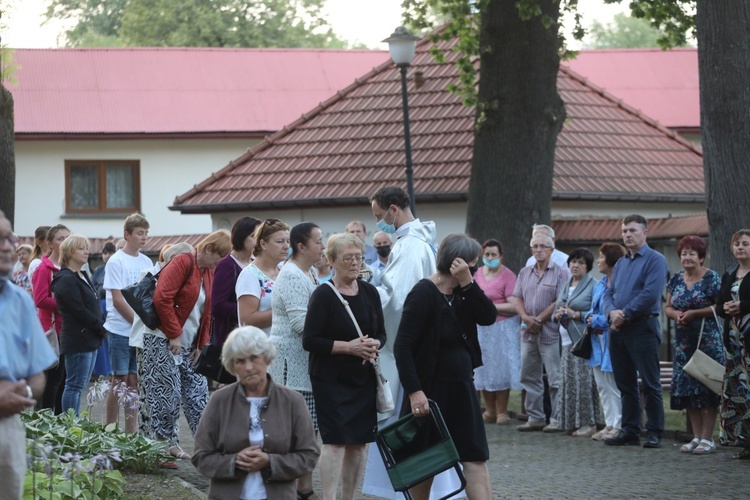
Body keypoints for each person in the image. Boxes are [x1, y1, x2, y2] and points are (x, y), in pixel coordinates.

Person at [365, 187, 462, 499]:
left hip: (406, 346)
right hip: (423, 342)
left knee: (405, 425)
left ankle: (410, 491)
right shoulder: (420, 242)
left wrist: (365, 294)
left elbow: (397, 301)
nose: (379, 223)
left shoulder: (408, 247)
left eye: (380, 217)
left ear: (394, 210)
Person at [395, 233, 496, 499]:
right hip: (429, 392)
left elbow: (488, 316)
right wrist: (414, 390)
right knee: (424, 462)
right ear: (457, 262)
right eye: (473, 264)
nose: (475, 269)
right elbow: (402, 347)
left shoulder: (465, 291)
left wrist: (469, 284)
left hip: (462, 387)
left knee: (475, 457)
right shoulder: (423, 293)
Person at [303, 233, 386, 500]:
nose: (354, 263)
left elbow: (382, 333)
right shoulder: (324, 295)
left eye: (358, 257)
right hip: (331, 380)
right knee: (336, 442)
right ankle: (329, 497)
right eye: (347, 258)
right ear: (332, 261)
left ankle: (349, 497)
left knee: (359, 444)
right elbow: (310, 340)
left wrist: (374, 343)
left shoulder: (371, 292)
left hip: (362, 378)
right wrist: (349, 347)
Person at [192, 326, 320, 499]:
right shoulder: (219, 401)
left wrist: (270, 462)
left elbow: (309, 455)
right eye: (240, 361)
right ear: (232, 366)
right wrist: (234, 461)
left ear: (266, 358)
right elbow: (201, 456)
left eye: (254, 358)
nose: (249, 367)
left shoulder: (293, 401)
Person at [149, 231, 231, 460]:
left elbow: (208, 311)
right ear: (207, 249)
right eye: (219, 256)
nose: (219, 262)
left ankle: (208, 448)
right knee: (168, 395)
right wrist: (174, 334)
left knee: (198, 395)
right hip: (163, 339)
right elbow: (162, 298)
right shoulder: (184, 261)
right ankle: (165, 445)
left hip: (190, 344)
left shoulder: (209, 271)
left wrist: (202, 343)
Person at [0, 211, 57, 499]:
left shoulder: (20, 300)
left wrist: (20, 391)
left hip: (7, 429)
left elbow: (37, 374)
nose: (8, 246)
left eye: (10, 237)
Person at [269, 222, 325, 500]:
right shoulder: (291, 274)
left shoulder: (310, 272)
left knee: (308, 430)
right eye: (318, 241)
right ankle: (293, 488)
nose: (323, 247)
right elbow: (301, 323)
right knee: (296, 431)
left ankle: (303, 487)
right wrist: (337, 336)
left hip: (304, 365)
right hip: (291, 367)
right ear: (301, 246)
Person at [603, 214, 668, 448]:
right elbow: (609, 293)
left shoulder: (655, 260)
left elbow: (650, 294)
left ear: (645, 233)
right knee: (625, 383)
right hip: (618, 329)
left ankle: (654, 431)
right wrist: (611, 312)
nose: (628, 235)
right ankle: (630, 430)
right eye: (624, 231)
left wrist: (624, 313)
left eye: (632, 230)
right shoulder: (621, 263)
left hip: (642, 327)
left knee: (650, 384)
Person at [664, 235, 724, 454]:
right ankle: (696, 437)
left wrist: (694, 313)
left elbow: (720, 306)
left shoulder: (712, 278)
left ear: (701, 256)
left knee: (706, 388)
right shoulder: (676, 279)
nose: (687, 257)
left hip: (707, 342)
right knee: (688, 391)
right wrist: (677, 315)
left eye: (691, 253)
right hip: (683, 344)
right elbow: (667, 306)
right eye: (683, 253)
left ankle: (708, 438)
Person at [130, 243, 193, 447]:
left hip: (172, 342)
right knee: (149, 393)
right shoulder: (149, 273)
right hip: (147, 341)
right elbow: (147, 305)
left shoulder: (185, 279)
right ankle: (147, 442)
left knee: (169, 393)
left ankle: (170, 443)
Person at [103, 213, 152, 433]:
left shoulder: (146, 261)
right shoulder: (116, 261)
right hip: (121, 329)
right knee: (120, 379)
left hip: (138, 331)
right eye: (140, 233)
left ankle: (131, 433)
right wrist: (137, 324)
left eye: (146, 233)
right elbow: (118, 299)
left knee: (134, 380)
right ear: (127, 235)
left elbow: (148, 296)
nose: (144, 238)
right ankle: (110, 429)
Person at [512, 232, 565, 432]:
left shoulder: (561, 273)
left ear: (552, 250)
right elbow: (516, 297)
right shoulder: (524, 272)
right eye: (535, 246)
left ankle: (557, 419)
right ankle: (535, 417)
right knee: (528, 375)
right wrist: (526, 318)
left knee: (555, 378)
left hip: (549, 332)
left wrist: (540, 319)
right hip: (527, 332)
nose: (539, 250)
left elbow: (559, 300)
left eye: (543, 246)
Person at [51, 234, 105, 415]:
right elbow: (78, 310)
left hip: (89, 337)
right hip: (77, 338)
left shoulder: (81, 275)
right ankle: (70, 425)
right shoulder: (65, 278)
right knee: (73, 385)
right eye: (81, 248)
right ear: (68, 252)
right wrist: (100, 326)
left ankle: (73, 424)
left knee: (79, 386)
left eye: (87, 247)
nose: (86, 251)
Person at [552, 248, 601, 436]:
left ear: (588, 266)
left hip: (583, 341)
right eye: (573, 261)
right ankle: (571, 421)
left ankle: (589, 423)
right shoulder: (566, 284)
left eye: (580, 262)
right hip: (566, 342)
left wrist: (576, 314)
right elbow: (557, 309)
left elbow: (596, 311)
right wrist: (557, 314)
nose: (576, 265)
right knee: (569, 383)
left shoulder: (593, 285)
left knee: (584, 383)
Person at [473, 239, 521, 425]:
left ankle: (502, 411)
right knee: (484, 369)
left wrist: (489, 306)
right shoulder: (477, 273)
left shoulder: (508, 276)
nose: (490, 258)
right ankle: (490, 409)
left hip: (501, 329)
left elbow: (514, 305)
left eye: (494, 254)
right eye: (487, 255)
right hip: (481, 329)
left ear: (501, 256)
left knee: (500, 370)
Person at [584, 243, 626, 441]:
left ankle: (619, 424)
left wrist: (598, 320)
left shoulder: (620, 284)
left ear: (610, 259)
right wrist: (589, 318)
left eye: (600, 257)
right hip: (596, 340)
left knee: (614, 384)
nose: (598, 261)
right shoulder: (600, 283)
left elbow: (616, 312)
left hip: (611, 338)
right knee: (602, 384)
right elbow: (593, 308)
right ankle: (609, 423)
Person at [716, 229, 750, 458]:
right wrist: (726, 308)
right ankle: (743, 440)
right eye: (737, 243)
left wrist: (743, 306)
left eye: (746, 243)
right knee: (737, 394)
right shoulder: (730, 273)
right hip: (734, 345)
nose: (740, 247)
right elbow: (719, 305)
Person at [33, 224, 70, 414]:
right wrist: (66, 305)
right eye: (60, 238)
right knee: (53, 382)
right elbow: (39, 299)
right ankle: (45, 423)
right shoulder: (43, 268)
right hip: (52, 331)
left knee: (64, 380)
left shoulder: (69, 267)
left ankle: (59, 422)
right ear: (50, 243)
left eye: (67, 238)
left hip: (68, 330)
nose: (65, 242)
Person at [236, 218, 291, 336]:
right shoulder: (250, 275)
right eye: (280, 241)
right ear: (263, 244)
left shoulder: (284, 270)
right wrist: (287, 312)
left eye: (288, 241)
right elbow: (247, 320)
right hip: (260, 348)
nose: (286, 246)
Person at [212, 217, 260, 348]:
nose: (258, 241)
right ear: (241, 237)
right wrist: (247, 310)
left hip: (253, 335)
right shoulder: (227, 265)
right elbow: (218, 305)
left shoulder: (255, 263)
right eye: (253, 236)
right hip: (233, 338)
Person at [91, 241, 116, 379]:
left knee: (112, 339)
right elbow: (93, 288)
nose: (107, 256)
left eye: (110, 252)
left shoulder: (117, 267)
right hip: (99, 306)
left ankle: (113, 371)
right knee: (102, 340)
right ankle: (102, 371)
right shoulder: (98, 270)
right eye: (105, 253)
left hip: (112, 305)